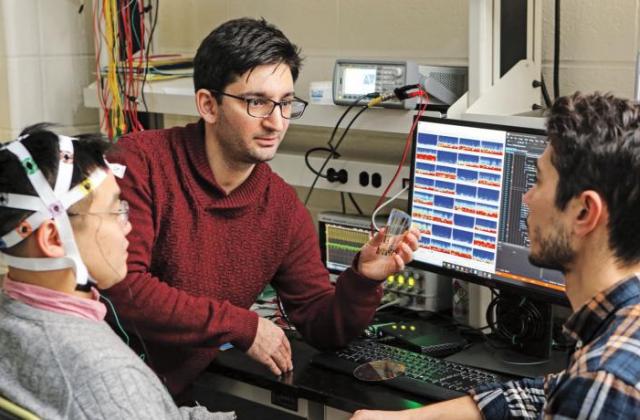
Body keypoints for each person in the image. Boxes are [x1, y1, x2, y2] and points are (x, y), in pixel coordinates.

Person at [105, 16, 420, 399]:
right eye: (257, 103)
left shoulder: (283, 210)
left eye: (286, 104)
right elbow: (123, 287)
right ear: (208, 105)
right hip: (100, 383)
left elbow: (322, 326)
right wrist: (241, 325)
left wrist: (364, 279)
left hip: (164, 395)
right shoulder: (139, 163)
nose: (276, 122)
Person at [351, 92, 640, 419]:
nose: (527, 198)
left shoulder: (604, 383)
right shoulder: (615, 337)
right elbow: (547, 393)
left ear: (585, 212)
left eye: (538, 181)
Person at [0, 125, 234, 419]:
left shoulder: (12, 321)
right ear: (54, 238)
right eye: (115, 212)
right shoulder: (107, 377)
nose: (128, 226)